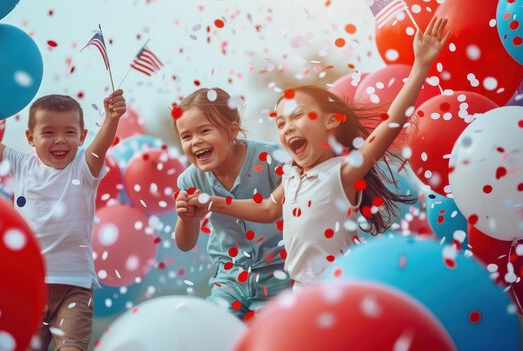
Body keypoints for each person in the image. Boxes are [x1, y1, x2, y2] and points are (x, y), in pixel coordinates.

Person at [186, 16, 450, 292]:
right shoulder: (291, 176)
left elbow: (391, 123)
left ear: (332, 121)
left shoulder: (343, 172)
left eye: (298, 116)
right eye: (281, 123)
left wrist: (421, 65)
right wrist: (211, 202)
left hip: (338, 288)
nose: (288, 127)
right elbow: (266, 209)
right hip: (301, 291)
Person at [0, 90, 126, 351]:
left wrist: (112, 118)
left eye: (69, 132)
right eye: (48, 133)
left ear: (82, 137)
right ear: (31, 138)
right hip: (29, 287)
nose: (60, 141)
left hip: (74, 287)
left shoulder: (84, 167)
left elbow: (102, 144)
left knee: (72, 348)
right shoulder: (21, 164)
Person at [174, 87, 291, 320]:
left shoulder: (272, 160)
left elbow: (274, 208)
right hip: (230, 278)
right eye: (186, 136)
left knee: (272, 333)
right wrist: (186, 218)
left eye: (204, 131)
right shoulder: (190, 179)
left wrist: (213, 203)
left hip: (280, 273)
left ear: (232, 129)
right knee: (215, 326)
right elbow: (185, 244)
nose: (196, 141)